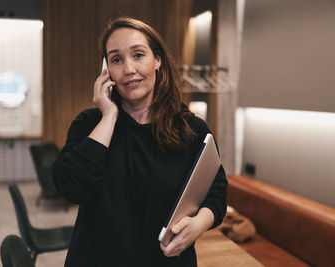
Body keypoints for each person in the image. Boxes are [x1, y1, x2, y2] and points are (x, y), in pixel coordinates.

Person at [53, 17, 227, 267]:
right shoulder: (90, 124)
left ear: (157, 60)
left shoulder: (191, 129)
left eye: (138, 55)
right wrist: (109, 116)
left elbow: (217, 191)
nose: (128, 69)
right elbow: (70, 187)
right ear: (106, 71)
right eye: (116, 59)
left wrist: (200, 223)